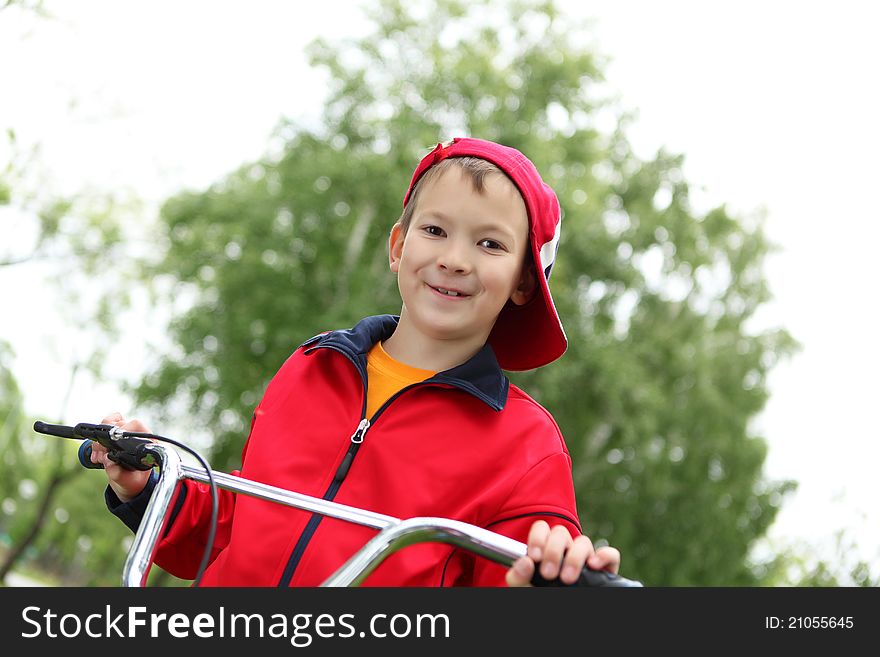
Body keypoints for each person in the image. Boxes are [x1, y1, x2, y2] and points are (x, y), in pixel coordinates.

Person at [93, 137, 621, 587]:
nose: (454, 259)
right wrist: (148, 484)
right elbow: (234, 525)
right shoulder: (311, 365)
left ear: (524, 282)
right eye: (435, 230)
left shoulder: (527, 445)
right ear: (398, 246)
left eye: (489, 243)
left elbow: (522, 576)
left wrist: (553, 572)